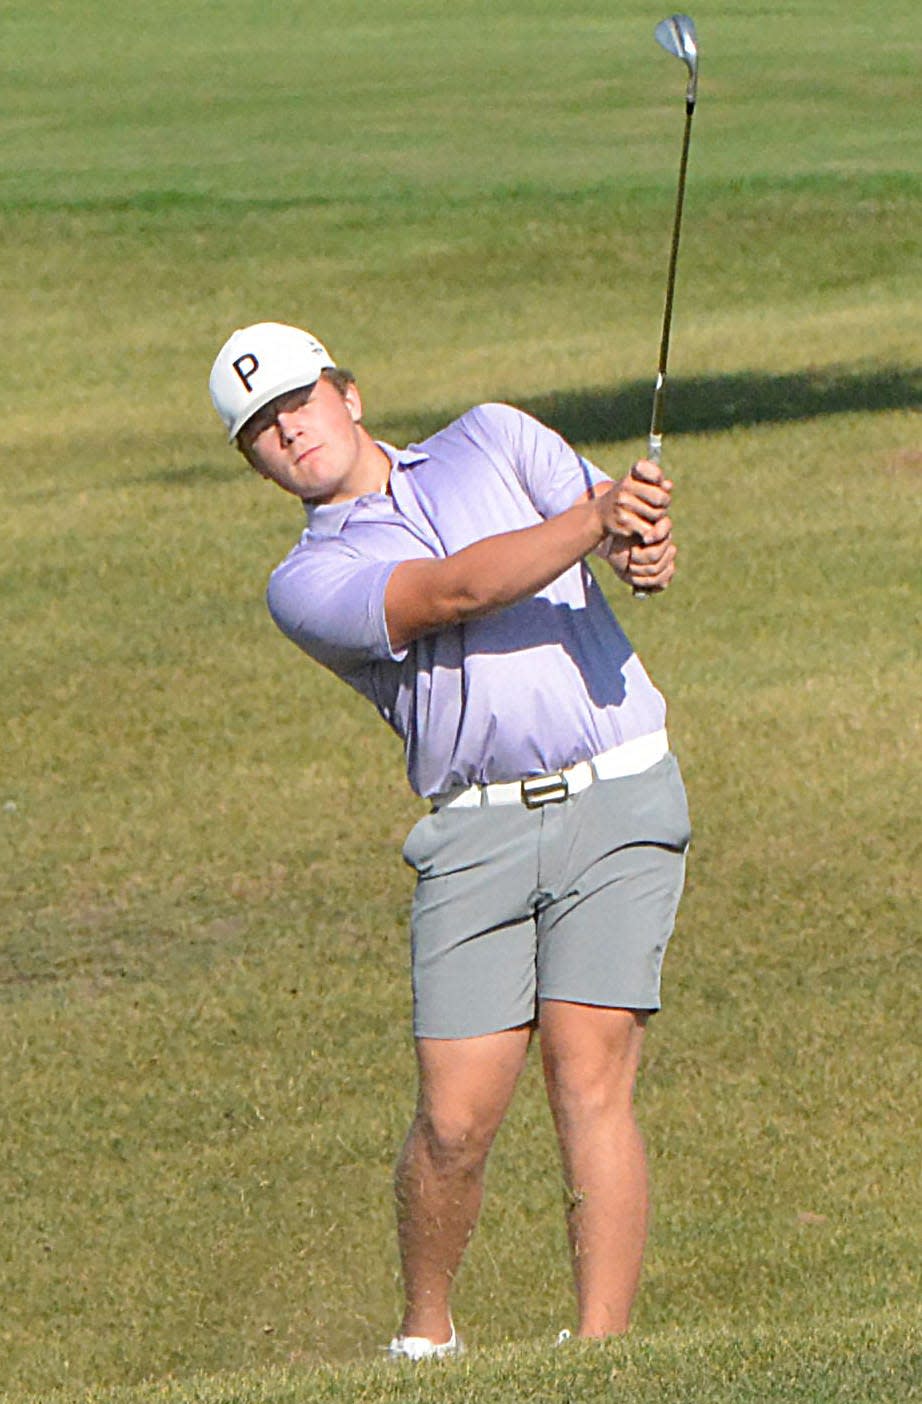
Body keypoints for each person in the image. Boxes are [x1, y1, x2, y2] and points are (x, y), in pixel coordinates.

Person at [208, 321, 691, 1357]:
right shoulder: (306, 583)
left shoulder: (495, 438)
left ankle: (601, 1352)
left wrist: (638, 538)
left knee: (587, 1070)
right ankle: (426, 1335)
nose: (289, 432)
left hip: (618, 794)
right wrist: (593, 518)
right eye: (260, 429)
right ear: (251, 461)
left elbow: (608, 530)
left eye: (300, 401)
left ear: (349, 395)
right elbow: (455, 591)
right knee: (457, 1121)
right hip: (475, 832)